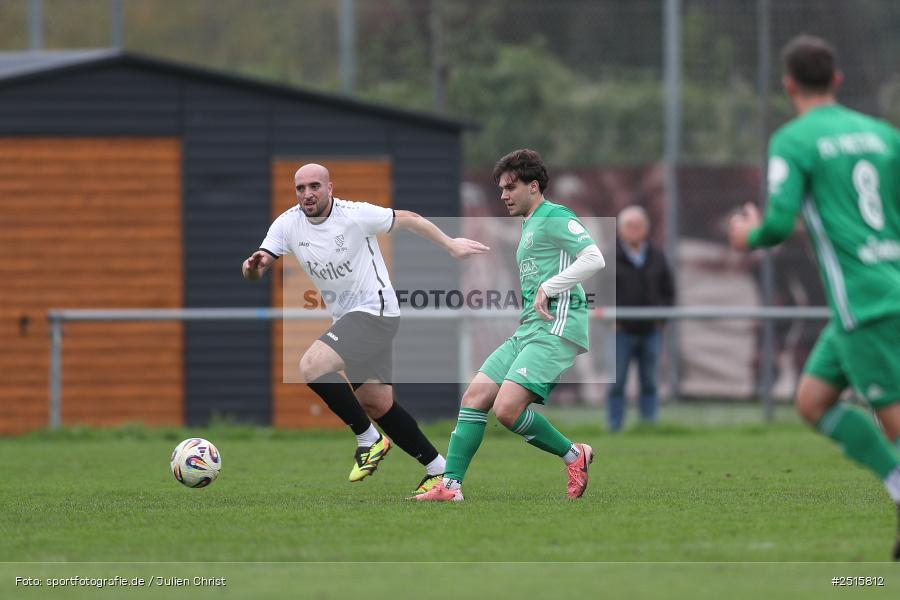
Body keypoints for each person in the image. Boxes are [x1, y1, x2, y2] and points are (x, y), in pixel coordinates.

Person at [728, 35, 900, 559]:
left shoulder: (794, 140)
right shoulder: (883, 135)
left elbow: (778, 224)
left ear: (788, 86)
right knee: (813, 400)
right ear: (838, 81)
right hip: (876, 293)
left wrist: (747, 236)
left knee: (893, 420)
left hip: (865, 303)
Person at [242, 163, 489, 494]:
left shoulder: (355, 215)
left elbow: (409, 218)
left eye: (315, 186)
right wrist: (252, 269)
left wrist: (451, 245)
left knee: (312, 366)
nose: (307, 194)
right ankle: (440, 472)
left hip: (376, 312)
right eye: (300, 188)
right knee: (377, 404)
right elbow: (259, 267)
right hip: (349, 319)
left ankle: (368, 438)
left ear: (330, 188)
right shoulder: (287, 224)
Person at [416, 148, 606, 501]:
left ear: (533, 186)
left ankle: (573, 455)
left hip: (555, 328)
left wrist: (550, 287)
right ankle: (450, 487)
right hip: (528, 329)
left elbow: (595, 258)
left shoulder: (553, 216)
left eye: (510, 187)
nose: (503, 195)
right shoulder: (529, 223)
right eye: (501, 188)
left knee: (506, 410)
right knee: (474, 396)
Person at [607, 206, 675, 431]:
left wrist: (661, 320)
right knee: (617, 382)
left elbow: (669, 291)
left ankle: (649, 426)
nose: (634, 231)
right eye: (629, 226)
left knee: (650, 382)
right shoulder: (608, 256)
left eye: (638, 226)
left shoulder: (657, 256)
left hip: (650, 330)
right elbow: (597, 290)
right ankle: (614, 427)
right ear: (620, 229)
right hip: (620, 331)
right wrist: (610, 320)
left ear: (646, 229)